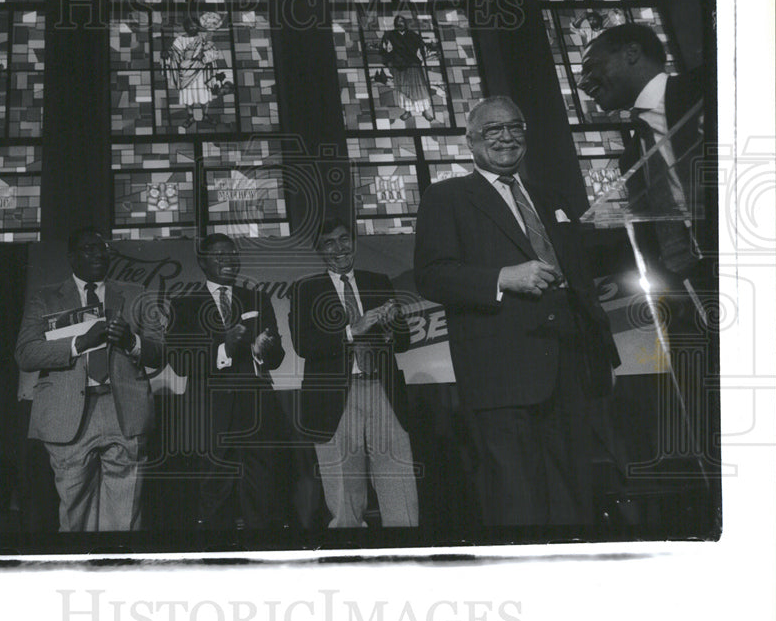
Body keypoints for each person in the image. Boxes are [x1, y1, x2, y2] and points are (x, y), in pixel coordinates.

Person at [413, 97, 620, 526]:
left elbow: (579, 280)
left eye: (514, 127)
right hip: (500, 374)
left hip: (570, 367)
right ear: (469, 141)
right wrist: (503, 278)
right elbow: (432, 276)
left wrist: (601, 351)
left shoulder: (550, 198)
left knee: (575, 494)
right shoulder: (447, 196)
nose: (506, 137)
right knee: (516, 499)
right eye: (492, 130)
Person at [15, 227, 163, 532]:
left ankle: (120, 570)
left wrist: (131, 341)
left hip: (124, 410)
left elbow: (160, 353)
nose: (98, 253)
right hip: (66, 414)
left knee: (125, 514)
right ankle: (78, 573)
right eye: (89, 248)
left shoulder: (136, 293)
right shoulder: (45, 298)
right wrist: (77, 344)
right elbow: (26, 354)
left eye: (103, 248)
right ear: (72, 257)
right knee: (74, 513)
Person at [289, 218, 419, 528]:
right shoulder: (306, 289)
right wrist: (351, 331)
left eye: (344, 239)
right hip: (335, 399)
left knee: (399, 484)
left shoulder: (378, 280)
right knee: (345, 493)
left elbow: (402, 341)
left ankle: (408, 553)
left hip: (382, 390)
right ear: (320, 251)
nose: (339, 248)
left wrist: (390, 328)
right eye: (329, 243)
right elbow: (304, 344)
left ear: (354, 242)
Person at [163, 234, 289, 530]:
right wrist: (225, 348)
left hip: (257, 413)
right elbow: (181, 363)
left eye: (233, 255)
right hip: (210, 416)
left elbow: (278, 357)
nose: (229, 261)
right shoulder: (184, 304)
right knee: (214, 500)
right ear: (202, 262)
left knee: (263, 499)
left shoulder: (257, 298)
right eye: (220, 256)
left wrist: (263, 350)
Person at [578, 22, 709, 295]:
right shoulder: (631, 158)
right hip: (693, 286)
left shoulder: (707, 88)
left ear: (632, 53)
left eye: (590, 67)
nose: (581, 82)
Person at [164, 17, 222, 129]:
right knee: (188, 94)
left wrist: (204, 56)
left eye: (195, 25)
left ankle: (205, 115)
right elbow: (174, 55)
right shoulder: (179, 40)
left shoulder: (203, 39)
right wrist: (167, 56)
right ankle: (190, 116)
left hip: (200, 71)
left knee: (203, 93)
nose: (192, 27)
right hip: (185, 71)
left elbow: (214, 53)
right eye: (190, 25)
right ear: (185, 27)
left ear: (198, 26)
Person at [379, 15, 435, 122]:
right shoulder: (390, 35)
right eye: (398, 21)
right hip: (399, 66)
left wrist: (422, 54)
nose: (400, 23)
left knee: (419, 89)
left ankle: (424, 111)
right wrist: (387, 49)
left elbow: (421, 48)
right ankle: (407, 111)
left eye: (402, 21)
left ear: (405, 23)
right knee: (403, 90)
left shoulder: (413, 35)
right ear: (395, 24)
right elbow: (385, 50)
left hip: (413, 65)